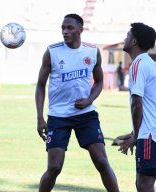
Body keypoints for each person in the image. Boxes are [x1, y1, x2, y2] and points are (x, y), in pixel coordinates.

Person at [35, 13, 119, 192]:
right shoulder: (52, 52)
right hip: (58, 116)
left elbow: (99, 81)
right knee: (54, 168)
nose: (65, 32)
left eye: (69, 28)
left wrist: (89, 99)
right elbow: (40, 85)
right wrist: (40, 117)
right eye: (63, 28)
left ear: (80, 30)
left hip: (86, 115)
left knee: (102, 162)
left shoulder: (92, 51)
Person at [119, 23, 156, 192]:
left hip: (149, 134)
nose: (124, 38)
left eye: (127, 35)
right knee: (143, 184)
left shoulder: (139, 65)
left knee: (144, 184)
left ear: (133, 41)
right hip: (152, 132)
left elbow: (137, 104)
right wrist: (135, 133)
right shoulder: (147, 63)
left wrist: (136, 135)